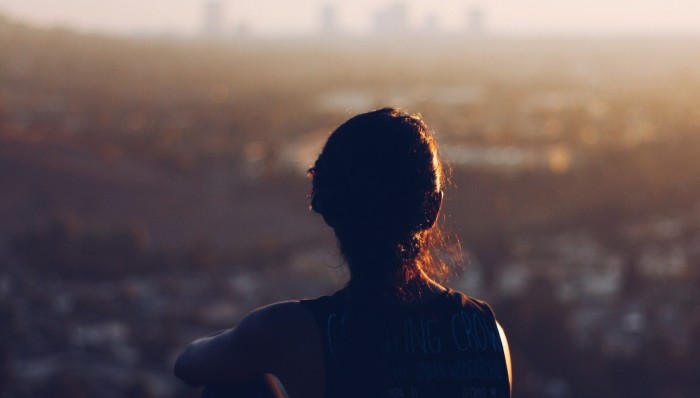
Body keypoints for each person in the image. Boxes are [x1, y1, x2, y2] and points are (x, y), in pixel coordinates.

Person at [174, 108, 512, 398]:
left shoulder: (294, 332)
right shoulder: (486, 333)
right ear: (432, 209)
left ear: (330, 211)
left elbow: (188, 365)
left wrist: (252, 341)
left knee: (234, 383)